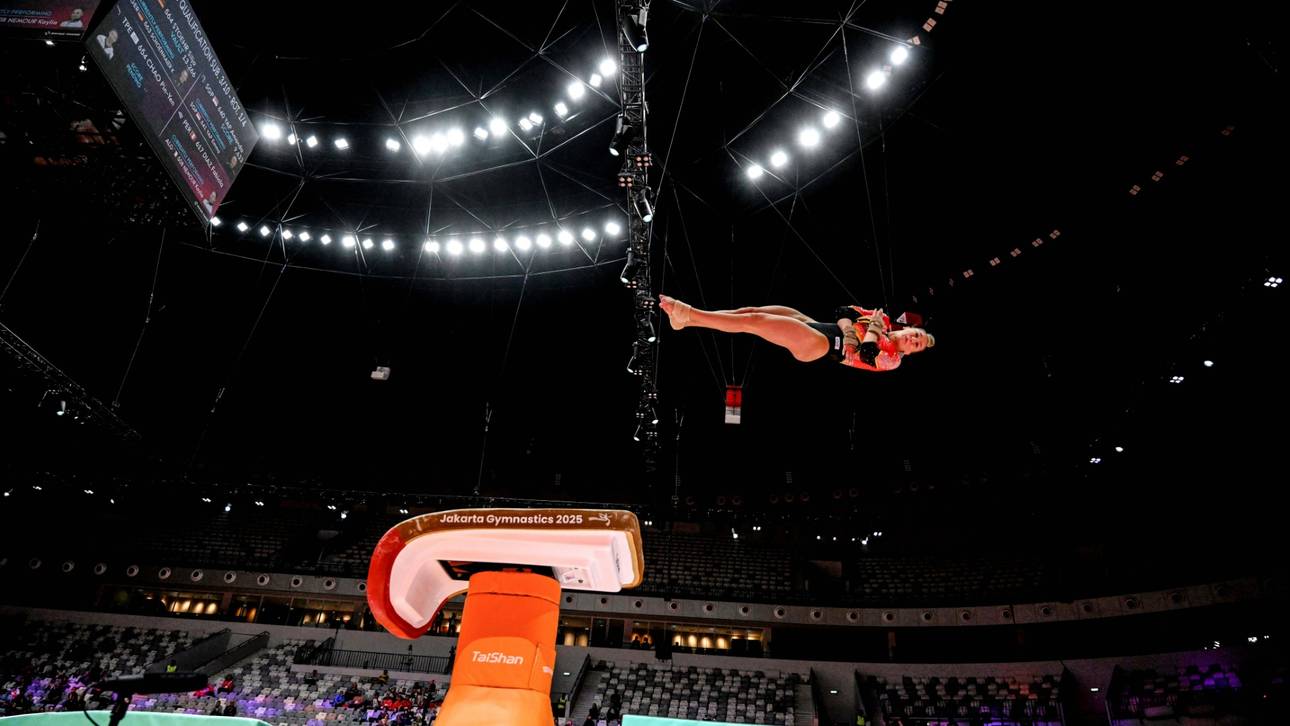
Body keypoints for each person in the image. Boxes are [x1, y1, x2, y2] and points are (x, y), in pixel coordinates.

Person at [659, 295, 933, 372]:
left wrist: (867, 330)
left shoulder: (893, 359)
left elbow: (866, 352)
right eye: (916, 335)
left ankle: (689, 313)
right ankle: (687, 323)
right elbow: (842, 311)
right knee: (751, 310)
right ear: (908, 328)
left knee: (754, 321)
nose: (914, 339)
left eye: (917, 344)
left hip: (820, 346)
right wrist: (851, 329)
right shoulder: (883, 320)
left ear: (912, 352)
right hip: (816, 325)